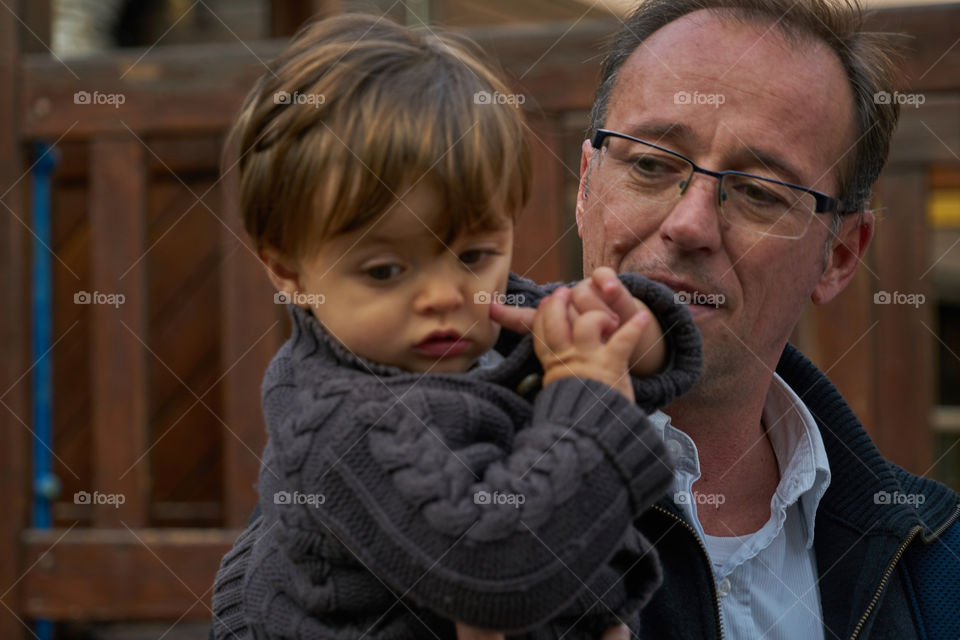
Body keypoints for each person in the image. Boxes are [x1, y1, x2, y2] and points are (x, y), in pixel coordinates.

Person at [209, 13, 704, 640]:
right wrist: (592, 394)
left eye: (473, 256)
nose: (445, 297)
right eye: (386, 270)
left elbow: (587, 320)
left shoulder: (494, 324)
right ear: (287, 270)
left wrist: (631, 334)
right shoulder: (341, 425)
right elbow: (497, 574)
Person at [490, 0, 960, 637]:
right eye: (651, 164)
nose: (689, 225)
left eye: (760, 192)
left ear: (840, 255)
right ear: (585, 186)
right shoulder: (436, 458)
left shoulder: (934, 565)